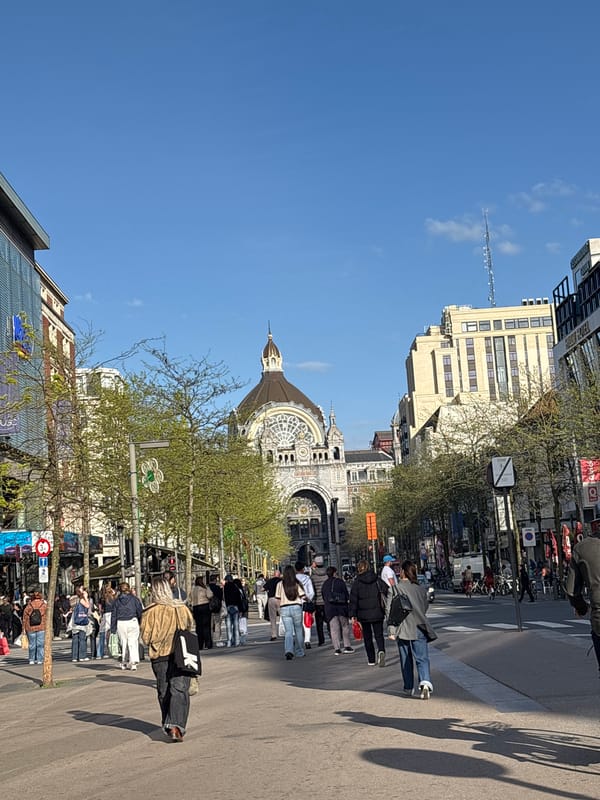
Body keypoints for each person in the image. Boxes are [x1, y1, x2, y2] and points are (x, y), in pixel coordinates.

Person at [140, 576, 195, 742]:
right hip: (181, 652)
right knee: (179, 689)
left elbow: (146, 637)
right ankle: (176, 726)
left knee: (164, 691)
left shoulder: (149, 612)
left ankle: (169, 723)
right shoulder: (180, 607)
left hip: (160, 655)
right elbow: (190, 626)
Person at [394, 560, 435, 700]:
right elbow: (424, 607)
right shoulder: (420, 589)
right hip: (419, 625)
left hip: (403, 627)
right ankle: (425, 682)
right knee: (422, 657)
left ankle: (408, 687)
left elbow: (391, 610)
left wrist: (391, 629)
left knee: (406, 658)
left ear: (403, 572)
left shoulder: (396, 588)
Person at [349, 559, 388, 667]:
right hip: (377, 612)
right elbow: (387, 590)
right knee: (379, 635)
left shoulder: (357, 583)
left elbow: (353, 600)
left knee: (367, 637)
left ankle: (371, 659)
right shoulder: (377, 579)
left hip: (363, 615)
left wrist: (353, 615)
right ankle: (381, 650)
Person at [275, 564, 306, 660]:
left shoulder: (280, 584)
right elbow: (303, 596)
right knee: (298, 630)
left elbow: (277, 599)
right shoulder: (296, 583)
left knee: (288, 631)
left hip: (284, 608)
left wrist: (279, 610)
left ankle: (289, 650)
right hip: (296, 607)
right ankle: (300, 651)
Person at [111, 582, 143, 670]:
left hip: (121, 622)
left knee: (123, 643)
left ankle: (124, 662)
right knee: (133, 642)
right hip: (133, 621)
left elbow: (114, 614)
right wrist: (141, 622)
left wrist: (113, 628)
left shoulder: (117, 601)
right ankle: (133, 663)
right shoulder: (135, 599)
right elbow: (140, 611)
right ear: (128, 588)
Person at [321, 566, 353, 654]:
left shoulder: (325, 584)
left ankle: (337, 648)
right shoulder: (340, 582)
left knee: (334, 629)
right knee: (345, 626)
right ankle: (347, 646)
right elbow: (346, 595)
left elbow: (324, 596)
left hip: (330, 609)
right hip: (341, 608)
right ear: (334, 573)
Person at [22, 591, 47, 665]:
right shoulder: (44, 605)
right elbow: (47, 616)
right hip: (41, 627)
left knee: (32, 644)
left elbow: (25, 618)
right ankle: (40, 659)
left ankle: (31, 659)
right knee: (40, 644)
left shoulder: (29, 606)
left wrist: (23, 628)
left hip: (30, 627)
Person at [295, 561, 315, 649]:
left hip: (295, 603)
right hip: (305, 603)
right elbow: (311, 592)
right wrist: (308, 598)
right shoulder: (307, 578)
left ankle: (297, 640)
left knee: (296, 624)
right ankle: (307, 640)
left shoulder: (293, 579)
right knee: (306, 623)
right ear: (303, 569)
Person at [191, 575, 214, 650]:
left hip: (196, 607)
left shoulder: (193, 590)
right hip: (204, 606)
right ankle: (208, 643)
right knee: (206, 626)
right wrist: (207, 588)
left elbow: (190, 598)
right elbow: (210, 595)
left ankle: (200, 644)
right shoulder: (204, 588)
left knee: (199, 626)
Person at [310, 556, 329, 646]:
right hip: (327, 601)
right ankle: (332, 634)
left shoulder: (313, 576)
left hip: (317, 602)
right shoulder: (327, 575)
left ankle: (321, 640)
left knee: (319, 622)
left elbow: (312, 590)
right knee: (329, 620)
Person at [71, 587, 92, 663]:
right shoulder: (81, 600)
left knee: (75, 639)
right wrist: (86, 597)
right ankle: (82, 656)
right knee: (82, 639)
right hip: (81, 621)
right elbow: (88, 606)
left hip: (74, 621)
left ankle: (74, 656)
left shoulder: (72, 599)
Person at [223, 574, 244, 647]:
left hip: (228, 607)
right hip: (235, 607)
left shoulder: (224, 588)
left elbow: (224, 599)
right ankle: (237, 641)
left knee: (228, 626)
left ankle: (229, 641)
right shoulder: (235, 587)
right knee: (236, 625)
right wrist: (241, 609)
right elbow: (239, 599)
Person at [98, 583, 116, 658]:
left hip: (105, 615)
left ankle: (100, 653)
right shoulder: (113, 598)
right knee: (112, 634)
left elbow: (100, 609)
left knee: (102, 634)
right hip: (112, 615)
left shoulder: (102, 598)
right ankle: (111, 651)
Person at [264, 570, 282, 641]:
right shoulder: (281, 581)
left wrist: (268, 590)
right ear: (279, 574)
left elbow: (263, 588)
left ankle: (273, 635)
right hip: (280, 599)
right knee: (283, 617)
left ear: (274, 574)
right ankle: (287, 632)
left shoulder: (270, 581)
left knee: (272, 618)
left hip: (271, 599)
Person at [208, 575, 224, 644]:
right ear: (215, 580)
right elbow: (221, 597)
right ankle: (217, 639)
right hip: (217, 607)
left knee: (210, 625)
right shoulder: (218, 588)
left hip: (209, 608)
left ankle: (210, 639)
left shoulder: (207, 588)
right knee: (217, 624)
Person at [234, 578, 249, 645]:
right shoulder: (242, 590)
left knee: (239, 624)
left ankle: (239, 639)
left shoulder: (237, 590)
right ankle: (243, 639)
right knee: (243, 623)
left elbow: (239, 601)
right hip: (244, 609)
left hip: (240, 609)